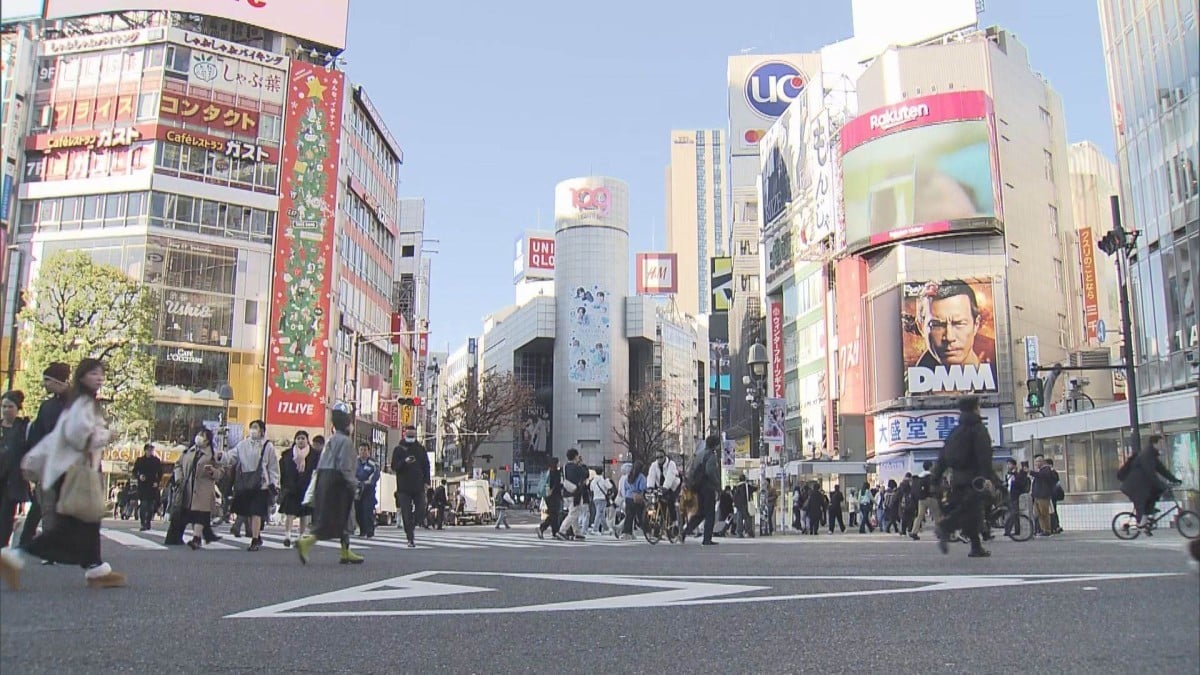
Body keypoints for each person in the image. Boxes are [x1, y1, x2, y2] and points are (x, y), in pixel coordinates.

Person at [1, 358, 125, 590]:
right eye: (93, 374)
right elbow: (76, 436)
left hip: (70, 470)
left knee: (87, 523)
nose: (99, 378)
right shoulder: (80, 402)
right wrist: (105, 435)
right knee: (70, 527)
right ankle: (14, 556)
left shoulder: (78, 400)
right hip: (72, 471)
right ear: (81, 377)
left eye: (101, 373)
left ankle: (95, 568)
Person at [932, 396, 1001, 558]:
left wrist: (936, 477)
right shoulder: (978, 429)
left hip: (957, 479)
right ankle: (945, 527)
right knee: (969, 512)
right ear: (976, 408)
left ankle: (976, 547)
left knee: (973, 513)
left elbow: (943, 456)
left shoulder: (955, 431)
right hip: (974, 479)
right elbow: (984, 455)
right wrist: (988, 478)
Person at [15, 363, 71, 551]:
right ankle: (27, 540)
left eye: (47, 380)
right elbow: (36, 434)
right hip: (50, 463)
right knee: (42, 502)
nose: (44, 384)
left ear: (59, 381)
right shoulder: (47, 406)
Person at [296, 409, 363, 565]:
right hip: (338, 483)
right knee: (336, 518)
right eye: (351, 424)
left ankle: (345, 551)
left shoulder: (330, 440)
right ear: (346, 425)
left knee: (337, 517)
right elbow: (345, 466)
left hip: (325, 479)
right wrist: (354, 484)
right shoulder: (345, 442)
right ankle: (307, 542)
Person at [221, 420, 279, 551]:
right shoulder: (243, 445)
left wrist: (274, 483)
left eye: (256, 427)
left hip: (262, 484)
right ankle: (257, 536)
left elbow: (273, 467)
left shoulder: (268, 446)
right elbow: (231, 457)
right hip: (246, 483)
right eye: (251, 427)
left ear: (262, 431)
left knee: (256, 512)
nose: (253, 430)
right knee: (249, 512)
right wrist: (221, 456)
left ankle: (255, 539)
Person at [175, 428, 225, 550]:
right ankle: (205, 535)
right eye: (199, 434)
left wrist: (213, 472)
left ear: (208, 440)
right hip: (188, 487)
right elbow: (178, 465)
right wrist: (179, 478)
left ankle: (196, 538)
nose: (199, 437)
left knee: (200, 514)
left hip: (204, 488)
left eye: (203, 435)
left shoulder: (212, 454)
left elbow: (221, 472)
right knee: (188, 514)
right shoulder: (188, 451)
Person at [1119, 434, 1182, 529]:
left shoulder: (1152, 455)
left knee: (1154, 495)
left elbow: (1162, 470)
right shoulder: (1147, 455)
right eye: (1161, 443)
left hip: (1141, 484)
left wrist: (1174, 479)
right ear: (1154, 443)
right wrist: (1161, 485)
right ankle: (1141, 525)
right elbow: (1150, 473)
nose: (1163, 445)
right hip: (1134, 486)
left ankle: (1147, 519)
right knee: (1145, 501)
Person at [390, 425, 430, 548]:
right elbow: (394, 466)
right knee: (406, 513)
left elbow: (426, 466)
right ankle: (410, 537)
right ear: (405, 434)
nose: (411, 436)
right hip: (403, 487)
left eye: (413, 434)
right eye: (409, 434)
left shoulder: (420, 449)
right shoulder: (399, 449)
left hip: (418, 486)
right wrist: (404, 462)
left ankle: (412, 524)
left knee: (421, 509)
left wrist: (427, 481)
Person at [0, 391, 30, 549]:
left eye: (10, 406)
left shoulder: (24, 427)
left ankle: (3, 547)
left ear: (17, 408)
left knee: (5, 517)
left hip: (12, 480)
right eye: (3, 406)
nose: (6, 410)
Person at [278, 431, 317, 548]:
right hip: (291, 487)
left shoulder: (314, 455)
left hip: (306, 487)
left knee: (303, 514)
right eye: (298, 438)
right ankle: (287, 536)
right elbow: (283, 471)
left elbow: (317, 471)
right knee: (289, 512)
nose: (300, 440)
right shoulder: (287, 454)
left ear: (307, 440)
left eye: (303, 438)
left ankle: (301, 536)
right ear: (295, 440)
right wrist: (283, 485)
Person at [681, 434, 721, 545]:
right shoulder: (711, 456)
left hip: (698, 487)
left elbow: (691, 470)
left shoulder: (699, 455)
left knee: (701, 513)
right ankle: (707, 539)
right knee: (710, 514)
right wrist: (717, 484)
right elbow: (710, 471)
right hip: (708, 487)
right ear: (715, 445)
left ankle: (685, 531)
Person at [557, 449, 589, 541]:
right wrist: (581, 464)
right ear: (575, 456)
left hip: (566, 492)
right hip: (575, 493)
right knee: (573, 513)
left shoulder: (565, 466)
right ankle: (562, 531)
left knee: (574, 513)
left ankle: (577, 532)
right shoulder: (576, 467)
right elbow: (586, 474)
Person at [131, 443, 163, 531]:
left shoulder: (156, 461)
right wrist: (139, 476)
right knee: (143, 505)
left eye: (151, 450)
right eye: (148, 450)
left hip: (152, 485)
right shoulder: (140, 460)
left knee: (150, 506)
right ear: (145, 451)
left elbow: (160, 473)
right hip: (143, 485)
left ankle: (148, 522)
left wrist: (157, 482)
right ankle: (143, 523)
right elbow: (134, 472)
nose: (150, 452)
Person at [647, 451, 681, 531]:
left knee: (670, 501)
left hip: (673, 486)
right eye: (657, 457)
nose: (659, 459)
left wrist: (665, 488)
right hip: (660, 485)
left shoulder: (671, 464)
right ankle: (657, 521)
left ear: (665, 456)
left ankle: (674, 523)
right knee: (655, 501)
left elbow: (670, 477)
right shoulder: (654, 465)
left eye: (661, 457)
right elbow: (651, 476)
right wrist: (650, 487)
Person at [354, 442, 380, 538]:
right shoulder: (355, 462)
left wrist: (368, 482)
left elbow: (376, 474)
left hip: (368, 490)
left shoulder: (372, 463)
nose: (363, 452)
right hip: (357, 490)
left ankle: (369, 530)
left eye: (365, 450)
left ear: (369, 451)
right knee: (358, 510)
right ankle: (362, 529)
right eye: (361, 450)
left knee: (367, 510)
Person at [1030, 454, 1058, 537]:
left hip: (1043, 495)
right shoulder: (1039, 471)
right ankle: (1042, 529)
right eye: (1036, 462)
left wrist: (1031, 472)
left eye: (1039, 461)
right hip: (1037, 496)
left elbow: (1042, 476)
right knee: (1038, 514)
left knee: (1044, 513)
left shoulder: (1046, 470)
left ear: (1043, 462)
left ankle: (1047, 530)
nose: (1037, 463)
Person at [910, 461, 940, 540]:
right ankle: (940, 532)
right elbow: (933, 488)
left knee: (919, 516)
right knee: (937, 515)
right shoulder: (931, 476)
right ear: (930, 467)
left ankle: (914, 532)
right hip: (930, 498)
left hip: (921, 499)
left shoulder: (919, 477)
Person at [1003, 458, 1031, 538]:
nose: (1008, 466)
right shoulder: (1008, 475)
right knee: (1010, 513)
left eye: (1010, 464)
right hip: (1009, 495)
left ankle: (1014, 530)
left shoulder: (1018, 474)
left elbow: (1020, 484)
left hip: (1016, 496)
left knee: (1014, 513)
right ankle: (1010, 530)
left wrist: (1015, 474)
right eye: (1007, 464)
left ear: (1014, 465)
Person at [537, 457, 563, 539]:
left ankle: (554, 532)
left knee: (553, 514)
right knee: (554, 514)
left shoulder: (548, 472)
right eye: (558, 462)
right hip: (554, 495)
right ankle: (543, 528)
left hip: (547, 495)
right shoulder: (557, 473)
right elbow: (557, 484)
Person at [622, 462, 647, 540]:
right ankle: (648, 531)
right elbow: (643, 488)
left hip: (628, 497)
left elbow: (625, 487)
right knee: (641, 515)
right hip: (637, 498)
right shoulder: (641, 477)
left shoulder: (629, 476)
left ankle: (627, 533)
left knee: (629, 516)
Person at [589, 470, 613, 535]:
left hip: (595, 498)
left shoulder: (593, 481)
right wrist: (607, 480)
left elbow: (591, 489)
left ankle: (606, 529)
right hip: (602, 498)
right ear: (602, 472)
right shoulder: (603, 480)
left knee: (601, 514)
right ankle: (595, 529)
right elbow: (610, 486)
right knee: (599, 513)